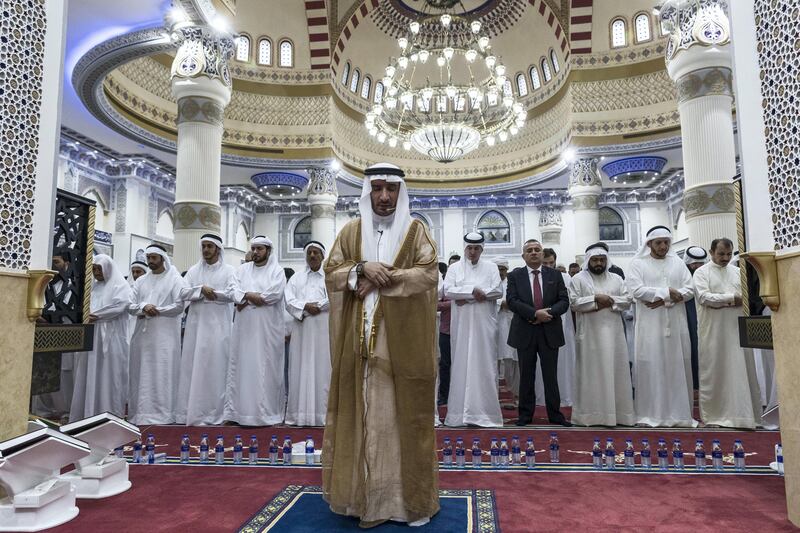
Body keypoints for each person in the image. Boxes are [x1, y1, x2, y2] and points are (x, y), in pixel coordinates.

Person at [323, 162, 439, 528]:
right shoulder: (351, 231)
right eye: (378, 189)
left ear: (401, 193)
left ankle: (408, 502)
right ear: (367, 192)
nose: (385, 197)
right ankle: (361, 498)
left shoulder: (415, 231)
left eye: (391, 190)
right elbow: (333, 271)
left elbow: (428, 273)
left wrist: (382, 277)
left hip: (403, 345)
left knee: (402, 420)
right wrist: (361, 269)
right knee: (363, 418)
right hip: (357, 344)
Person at [627, 226, 695, 427]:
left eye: (666, 242)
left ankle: (679, 414)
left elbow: (690, 289)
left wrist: (666, 300)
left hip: (676, 323)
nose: (663, 246)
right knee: (653, 365)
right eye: (659, 243)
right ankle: (652, 413)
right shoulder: (638, 264)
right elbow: (636, 290)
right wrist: (668, 292)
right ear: (649, 244)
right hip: (650, 326)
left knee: (676, 366)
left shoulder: (678, 263)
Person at [694, 238, 761, 428]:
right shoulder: (701, 273)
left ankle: (745, 416)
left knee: (740, 369)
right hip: (713, 332)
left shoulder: (738, 272)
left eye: (728, 254)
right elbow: (704, 297)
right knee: (716, 370)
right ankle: (716, 415)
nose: (725, 258)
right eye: (721, 254)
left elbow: (746, 299)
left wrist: (724, 302)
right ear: (711, 252)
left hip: (736, 329)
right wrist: (731, 299)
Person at [506, 239, 571, 426]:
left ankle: (555, 415)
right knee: (526, 375)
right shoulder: (515, 275)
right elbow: (512, 300)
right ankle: (525, 416)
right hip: (525, 331)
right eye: (529, 250)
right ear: (523, 256)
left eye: (537, 250)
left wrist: (547, 313)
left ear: (542, 254)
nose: (534, 253)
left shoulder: (555, 275)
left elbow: (564, 301)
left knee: (550, 375)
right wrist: (534, 314)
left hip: (549, 330)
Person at [568, 244, 635, 426]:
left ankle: (619, 415)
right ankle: (590, 416)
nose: (599, 263)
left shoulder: (616, 279)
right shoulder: (578, 279)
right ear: (588, 261)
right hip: (589, 335)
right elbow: (574, 303)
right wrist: (596, 300)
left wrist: (609, 301)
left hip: (614, 336)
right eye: (595, 260)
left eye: (602, 260)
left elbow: (627, 300)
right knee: (591, 374)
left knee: (616, 371)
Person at [224, 235, 287, 426]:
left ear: (268, 251)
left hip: (267, 330)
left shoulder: (277, 271)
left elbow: (272, 295)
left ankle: (266, 414)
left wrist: (245, 298)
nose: (256, 252)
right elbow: (232, 290)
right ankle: (239, 413)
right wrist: (251, 296)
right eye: (254, 248)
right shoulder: (242, 270)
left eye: (260, 249)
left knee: (266, 369)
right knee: (243, 366)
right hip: (244, 330)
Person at [443, 233, 503, 427]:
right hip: (461, 326)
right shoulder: (454, 268)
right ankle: (459, 415)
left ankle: (485, 415)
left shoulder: (491, 267)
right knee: (461, 364)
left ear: (482, 249)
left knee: (483, 365)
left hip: (484, 325)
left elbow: (497, 290)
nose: (473, 252)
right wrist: (475, 292)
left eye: (476, 248)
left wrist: (466, 295)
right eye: (470, 248)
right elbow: (448, 291)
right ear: (465, 249)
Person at [175, 234, 236, 426]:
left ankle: (216, 412)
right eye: (204, 246)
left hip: (219, 329)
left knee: (217, 368)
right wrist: (201, 289)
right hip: (196, 328)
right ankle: (194, 412)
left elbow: (233, 293)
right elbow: (182, 292)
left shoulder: (229, 271)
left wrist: (214, 293)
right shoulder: (194, 271)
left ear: (218, 249)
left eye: (210, 246)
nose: (206, 250)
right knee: (195, 367)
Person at [128, 244, 187, 425]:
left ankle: (164, 413)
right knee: (141, 372)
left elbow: (180, 306)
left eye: (154, 258)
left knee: (163, 372)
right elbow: (129, 305)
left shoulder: (175, 279)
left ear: (163, 259)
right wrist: (144, 307)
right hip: (142, 336)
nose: (151, 262)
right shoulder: (140, 281)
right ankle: (141, 414)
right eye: (149, 258)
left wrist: (158, 310)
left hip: (165, 337)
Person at [69, 254, 131, 421]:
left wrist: (97, 315)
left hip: (112, 339)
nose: (96, 272)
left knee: (109, 374)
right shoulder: (93, 287)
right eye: (94, 269)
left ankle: (109, 413)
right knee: (89, 372)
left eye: (99, 269)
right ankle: (88, 411)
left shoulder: (121, 286)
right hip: (92, 335)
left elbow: (121, 305)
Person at [284, 240, 331, 426]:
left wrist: (316, 306)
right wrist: (304, 307)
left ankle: (322, 415)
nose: (312, 256)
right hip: (301, 329)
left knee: (322, 369)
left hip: (323, 329)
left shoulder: (329, 277)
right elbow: (289, 300)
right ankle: (299, 415)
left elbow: (333, 298)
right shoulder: (296, 278)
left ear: (322, 256)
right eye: (309, 252)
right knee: (299, 368)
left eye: (316, 253)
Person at [540, 248, 576, 407]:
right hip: (540, 324)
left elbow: (570, 300)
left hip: (563, 325)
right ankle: (541, 397)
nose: (548, 265)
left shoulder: (566, 278)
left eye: (551, 263)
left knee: (565, 361)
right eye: (544, 263)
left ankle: (566, 395)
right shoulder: (536, 277)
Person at [494, 258, 519, 404]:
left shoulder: (511, 283)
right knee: (493, 362)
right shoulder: (488, 283)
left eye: (503, 269)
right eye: (498, 269)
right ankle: (492, 396)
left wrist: (508, 304)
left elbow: (516, 301)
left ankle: (515, 394)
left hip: (510, 326)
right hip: (494, 326)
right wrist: (501, 303)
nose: (500, 272)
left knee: (511, 361)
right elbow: (486, 300)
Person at [683, 245, 708, 391]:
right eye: (693, 264)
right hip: (689, 311)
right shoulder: (683, 274)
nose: (697, 266)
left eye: (700, 263)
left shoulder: (705, 273)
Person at [437, 258, 457, 406]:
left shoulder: (465, 283)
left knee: (461, 364)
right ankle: (444, 396)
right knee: (445, 364)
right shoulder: (443, 285)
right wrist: (454, 302)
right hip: (446, 330)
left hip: (463, 330)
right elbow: (435, 304)